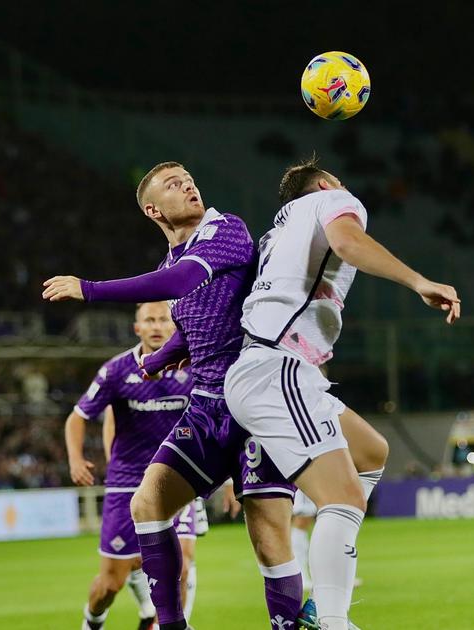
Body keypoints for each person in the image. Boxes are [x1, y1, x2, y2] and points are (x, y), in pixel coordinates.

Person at [44, 162, 299, 630]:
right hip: (208, 405)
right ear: (153, 208)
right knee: (148, 505)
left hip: (254, 400)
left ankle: (294, 623)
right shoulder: (170, 261)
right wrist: (163, 358)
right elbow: (203, 317)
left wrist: (90, 289)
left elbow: (184, 282)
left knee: (268, 537)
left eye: (189, 180)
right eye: (173, 184)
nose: (189, 185)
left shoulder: (225, 230)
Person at [225, 157, 460, 629]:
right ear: (326, 185)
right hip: (278, 367)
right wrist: (419, 281)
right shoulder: (332, 199)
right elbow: (348, 242)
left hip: (276, 368)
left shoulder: (274, 237)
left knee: (372, 451)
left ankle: (327, 600)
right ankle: (333, 620)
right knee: (344, 498)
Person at [63, 301, 204, 630]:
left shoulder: (194, 368)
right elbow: (78, 417)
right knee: (110, 585)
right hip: (126, 483)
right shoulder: (116, 370)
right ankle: (92, 621)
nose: (156, 326)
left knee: (181, 563)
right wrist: (75, 458)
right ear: (137, 328)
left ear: (175, 326)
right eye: (149, 320)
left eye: (163, 320)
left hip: (176, 479)